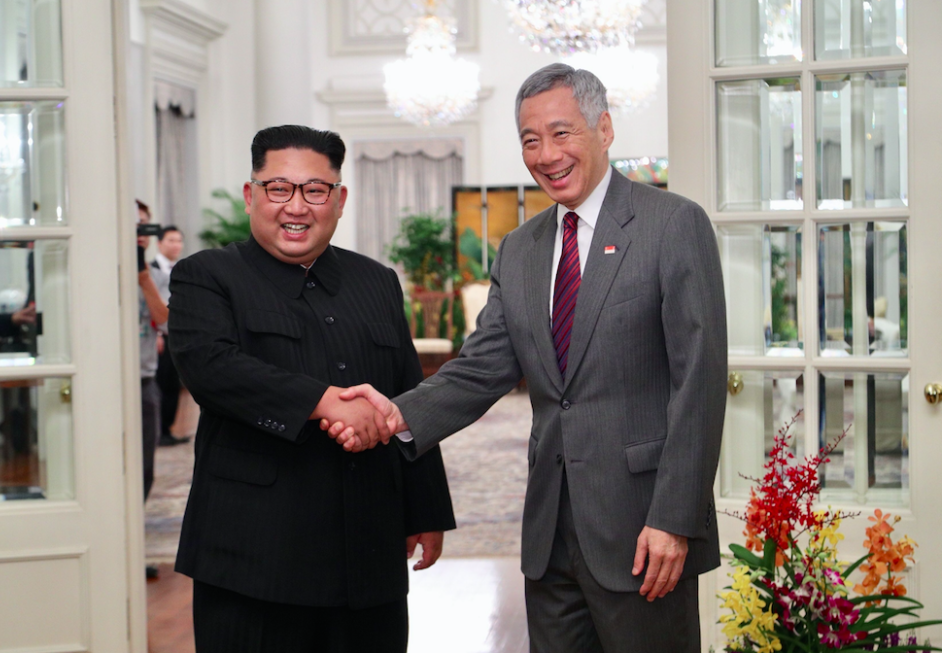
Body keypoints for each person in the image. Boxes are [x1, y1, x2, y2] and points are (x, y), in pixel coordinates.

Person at [328, 63, 727, 652]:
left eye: (562, 133)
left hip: (643, 529)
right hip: (550, 533)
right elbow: (481, 366)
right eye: (530, 140)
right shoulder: (519, 248)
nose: (546, 154)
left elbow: (700, 382)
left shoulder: (673, 225)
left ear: (605, 129)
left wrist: (674, 518)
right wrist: (393, 414)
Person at [167, 125, 455, 653]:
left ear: (339, 200)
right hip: (253, 556)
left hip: (367, 554)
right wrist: (321, 400)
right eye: (278, 188)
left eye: (315, 190)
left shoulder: (377, 281)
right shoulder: (206, 275)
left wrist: (426, 510)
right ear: (252, 195)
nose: (295, 206)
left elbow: (407, 393)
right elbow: (210, 367)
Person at [136, 199, 169, 580]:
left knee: (144, 468)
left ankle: (135, 541)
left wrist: (143, 278)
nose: (141, 235)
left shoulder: (156, 276)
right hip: (106, 382)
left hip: (144, 377)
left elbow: (165, 321)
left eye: (144, 228)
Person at [150, 225, 189, 446]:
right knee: (160, 383)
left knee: (173, 383)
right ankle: (157, 431)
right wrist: (155, 333)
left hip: (176, 333)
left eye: (179, 241)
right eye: (171, 240)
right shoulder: (149, 269)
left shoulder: (183, 268)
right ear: (160, 243)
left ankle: (168, 430)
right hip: (158, 335)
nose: (176, 245)